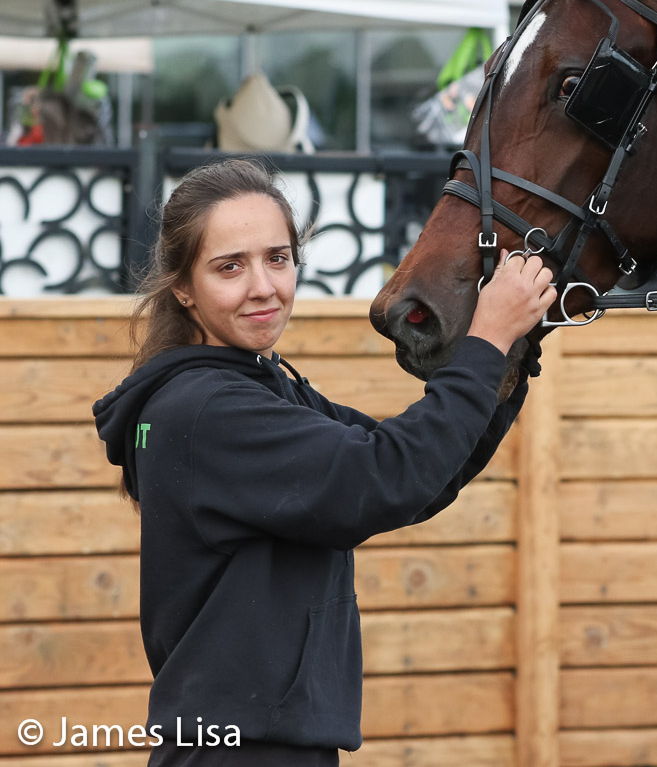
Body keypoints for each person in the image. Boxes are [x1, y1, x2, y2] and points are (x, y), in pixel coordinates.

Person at [93, 158, 555, 766]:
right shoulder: (209, 411)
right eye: (229, 267)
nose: (263, 286)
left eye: (277, 258)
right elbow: (386, 476)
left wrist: (510, 350)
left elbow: (423, 479)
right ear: (183, 287)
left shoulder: (254, 387)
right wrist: (486, 342)